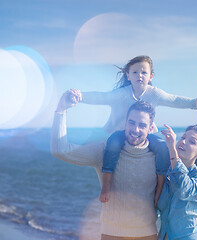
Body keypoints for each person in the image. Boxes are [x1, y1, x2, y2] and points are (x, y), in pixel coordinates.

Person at [70, 55, 197, 206]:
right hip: (121, 133)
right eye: (134, 72)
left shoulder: (154, 93)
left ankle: (159, 188)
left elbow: (173, 99)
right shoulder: (122, 93)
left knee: (161, 146)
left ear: (151, 76)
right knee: (113, 143)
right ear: (128, 75)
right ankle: (106, 186)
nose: (139, 76)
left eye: (144, 72)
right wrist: (80, 96)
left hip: (146, 134)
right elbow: (102, 97)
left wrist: (195, 104)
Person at [52, 94, 160, 239]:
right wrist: (61, 110)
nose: (135, 129)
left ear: (151, 128)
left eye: (142, 125)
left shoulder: (158, 156)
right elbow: (60, 150)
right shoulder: (104, 151)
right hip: (112, 234)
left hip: (148, 234)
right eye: (131, 123)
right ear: (125, 123)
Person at [157, 100, 197, 240]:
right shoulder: (168, 173)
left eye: (192, 141)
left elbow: (184, 189)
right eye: (183, 138)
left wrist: (172, 149)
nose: (183, 142)